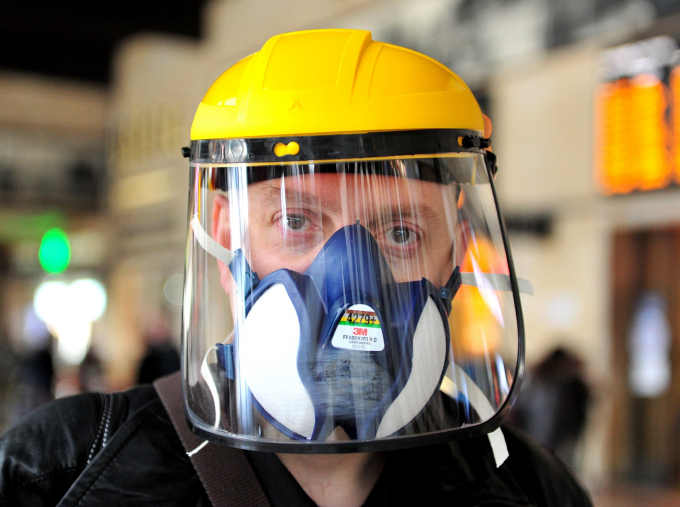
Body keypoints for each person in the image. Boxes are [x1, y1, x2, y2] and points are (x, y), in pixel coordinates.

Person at [0, 29, 592, 506]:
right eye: (296, 223)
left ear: (455, 256)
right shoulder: (60, 472)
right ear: (229, 240)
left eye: (402, 231)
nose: (352, 277)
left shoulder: (529, 487)